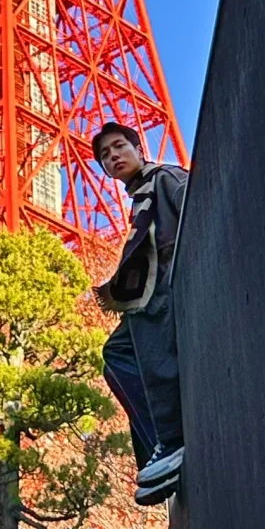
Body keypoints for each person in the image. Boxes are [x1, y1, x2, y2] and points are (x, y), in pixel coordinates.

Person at [92, 120, 189, 507]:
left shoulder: (165, 177)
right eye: (104, 155)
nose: (113, 156)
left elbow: (193, 208)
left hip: (167, 286)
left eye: (119, 147)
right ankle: (160, 447)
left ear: (138, 149)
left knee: (131, 342)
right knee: (115, 357)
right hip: (151, 293)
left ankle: (170, 439)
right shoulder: (140, 199)